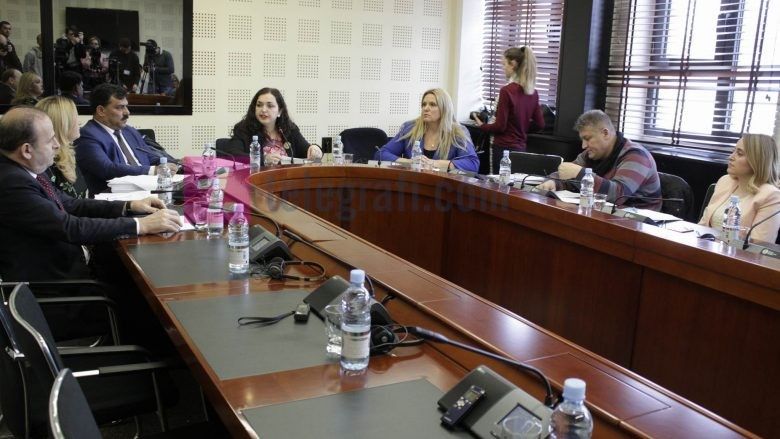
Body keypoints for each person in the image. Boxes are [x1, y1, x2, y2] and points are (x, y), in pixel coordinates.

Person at [0, 106, 181, 282]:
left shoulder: (27, 171)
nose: (57, 145)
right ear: (26, 150)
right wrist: (141, 225)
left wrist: (129, 206)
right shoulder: (12, 183)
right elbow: (69, 227)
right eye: (50, 140)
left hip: (73, 263)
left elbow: (70, 204)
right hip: (59, 282)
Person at [537, 109, 662, 210]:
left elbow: (618, 195)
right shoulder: (592, 154)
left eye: (588, 138)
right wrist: (553, 182)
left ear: (605, 133)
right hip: (606, 215)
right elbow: (567, 174)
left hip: (640, 224)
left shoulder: (636, 156)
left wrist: (580, 174)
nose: (583, 146)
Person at [76, 83, 179, 194]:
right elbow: (107, 169)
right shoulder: (87, 136)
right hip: (115, 198)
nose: (127, 112)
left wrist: (174, 164)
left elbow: (149, 157)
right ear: (101, 111)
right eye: (120, 107)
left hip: (148, 189)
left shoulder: (129, 131)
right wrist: (153, 170)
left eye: (126, 106)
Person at [474, 46, 544, 173]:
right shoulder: (533, 93)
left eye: (504, 64)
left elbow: (500, 126)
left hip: (502, 148)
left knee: (498, 182)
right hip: (521, 149)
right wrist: (521, 127)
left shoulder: (506, 91)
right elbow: (540, 124)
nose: (503, 68)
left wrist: (482, 126)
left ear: (513, 64)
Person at [699, 134, 780, 243]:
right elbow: (702, 226)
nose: (731, 157)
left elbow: (758, 246)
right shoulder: (725, 181)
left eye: (740, 153)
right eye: (733, 151)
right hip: (705, 247)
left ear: (757, 160)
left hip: (735, 253)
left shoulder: (771, 196)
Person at [378, 88, 479, 173]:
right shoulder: (410, 128)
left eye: (432, 104)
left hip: (444, 186)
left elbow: (472, 164)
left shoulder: (457, 132)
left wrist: (435, 163)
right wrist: (410, 162)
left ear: (444, 108)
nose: (426, 108)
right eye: (424, 104)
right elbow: (381, 154)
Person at [228, 87, 323, 163]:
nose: (263, 110)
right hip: (255, 178)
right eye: (259, 105)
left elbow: (306, 151)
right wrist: (264, 159)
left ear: (280, 111)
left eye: (270, 106)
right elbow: (234, 155)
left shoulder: (289, 129)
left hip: (287, 178)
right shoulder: (243, 129)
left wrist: (315, 148)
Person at [35, 96, 89, 199]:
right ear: (63, 123)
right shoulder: (47, 163)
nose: (79, 122)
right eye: (75, 117)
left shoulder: (68, 152)